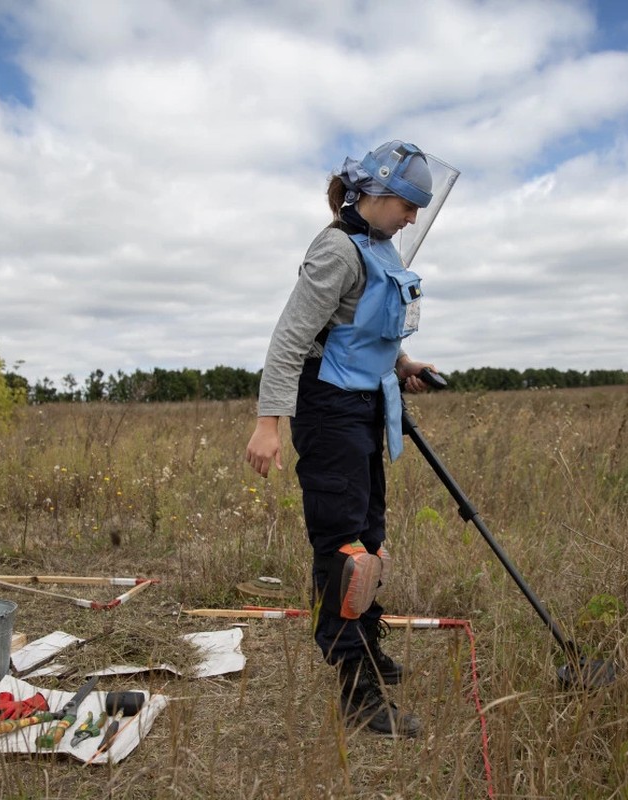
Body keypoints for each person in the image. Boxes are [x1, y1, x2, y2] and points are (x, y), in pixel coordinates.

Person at [245, 140, 449, 737]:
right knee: (343, 552)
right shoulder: (336, 248)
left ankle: (367, 647)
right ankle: (357, 694)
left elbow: (362, 329)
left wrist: (403, 364)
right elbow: (291, 339)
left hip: (365, 404)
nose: (413, 217)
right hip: (328, 409)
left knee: (370, 540)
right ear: (377, 194)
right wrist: (268, 423)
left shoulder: (379, 249)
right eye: (408, 205)